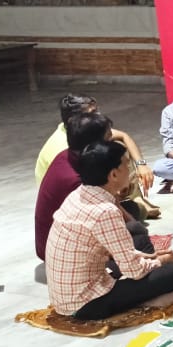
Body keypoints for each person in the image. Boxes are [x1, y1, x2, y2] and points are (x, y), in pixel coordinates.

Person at [47, 141, 173, 320]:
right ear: (114, 174)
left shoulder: (78, 193)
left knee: (137, 237)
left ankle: (148, 286)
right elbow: (134, 271)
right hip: (86, 304)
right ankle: (148, 300)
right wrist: (160, 261)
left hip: (70, 292)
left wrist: (147, 258)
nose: (130, 169)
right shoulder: (105, 212)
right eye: (126, 164)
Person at [36, 112, 148, 262]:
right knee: (139, 240)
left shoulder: (69, 155)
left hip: (74, 228)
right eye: (108, 137)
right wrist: (136, 229)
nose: (111, 139)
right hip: (64, 251)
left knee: (132, 209)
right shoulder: (78, 180)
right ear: (95, 144)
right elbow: (105, 215)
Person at [35, 93, 159, 217]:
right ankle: (135, 203)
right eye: (93, 113)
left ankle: (135, 197)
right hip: (67, 212)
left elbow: (122, 136)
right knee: (133, 214)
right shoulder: (64, 151)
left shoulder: (78, 136)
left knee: (117, 147)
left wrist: (141, 165)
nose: (99, 115)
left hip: (84, 199)